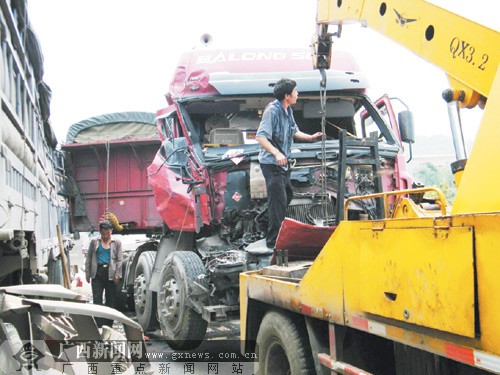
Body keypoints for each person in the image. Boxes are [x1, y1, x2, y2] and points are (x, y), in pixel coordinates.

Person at [256, 78, 322, 248]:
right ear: (287, 95)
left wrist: (311, 137)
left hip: (283, 164)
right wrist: (277, 153)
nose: (297, 94)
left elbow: (294, 132)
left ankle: (262, 220)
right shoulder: (272, 111)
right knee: (278, 201)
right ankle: (273, 243)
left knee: (287, 195)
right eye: (295, 91)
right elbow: (261, 136)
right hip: (271, 163)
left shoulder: (288, 111)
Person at [85, 220, 123, 327]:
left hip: (110, 273)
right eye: (103, 233)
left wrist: (118, 275)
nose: (106, 236)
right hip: (97, 273)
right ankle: (98, 324)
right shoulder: (94, 242)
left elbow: (119, 259)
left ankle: (108, 324)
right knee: (97, 300)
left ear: (111, 231)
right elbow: (89, 258)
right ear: (100, 232)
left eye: (108, 233)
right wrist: (88, 274)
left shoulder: (117, 243)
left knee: (110, 300)